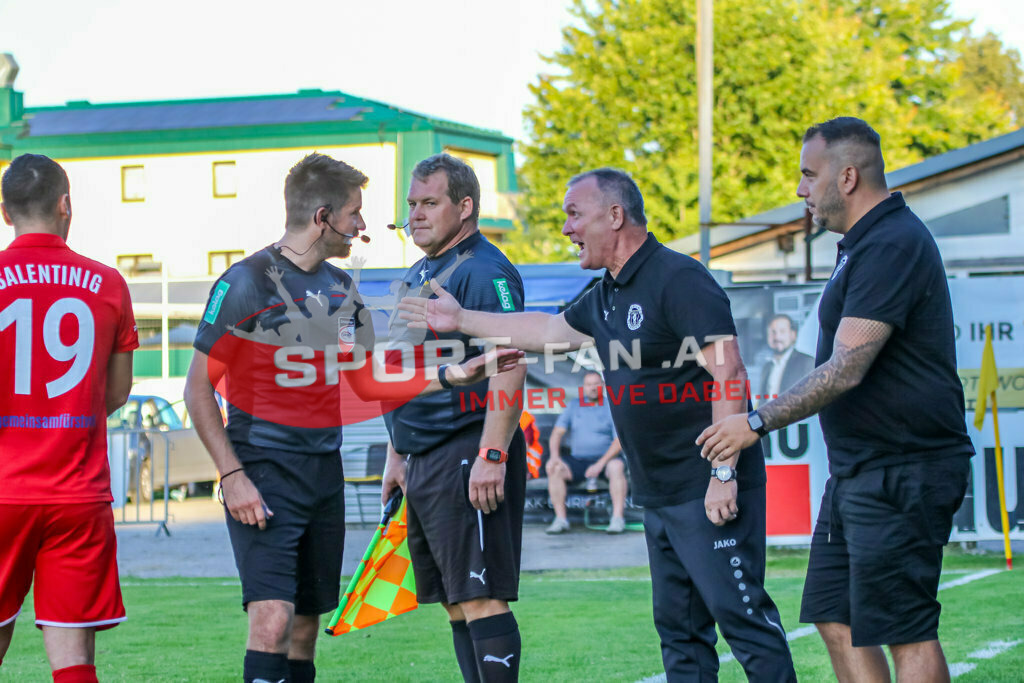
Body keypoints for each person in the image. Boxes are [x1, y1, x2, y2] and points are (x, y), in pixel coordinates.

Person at [399, 167, 796, 682]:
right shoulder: (606, 292)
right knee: (679, 634)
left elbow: (730, 370)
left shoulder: (678, 277)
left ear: (615, 215)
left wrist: (724, 475)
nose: (566, 228)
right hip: (659, 493)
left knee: (744, 624)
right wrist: (462, 320)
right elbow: (546, 328)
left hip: (705, 487)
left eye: (573, 214)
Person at [184, 153, 519, 683]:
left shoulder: (343, 290)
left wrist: (454, 377)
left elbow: (369, 381)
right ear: (323, 217)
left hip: (323, 476)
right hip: (263, 472)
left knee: (304, 628)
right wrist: (231, 474)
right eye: (356, 214)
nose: (365, 226)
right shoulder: (246, 281)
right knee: (271, 620)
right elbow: (197, 388)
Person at [698, 117, 975, 683]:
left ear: (846, 177)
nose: (801, 189)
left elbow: (847, 367)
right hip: (859, 471)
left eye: (808, 174)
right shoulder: (862, 245)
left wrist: (755, 420)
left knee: (906, 629)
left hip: (905, 468)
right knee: (832, 615)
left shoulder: (893, 242)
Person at [380, 153, 528, 683]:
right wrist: (397, 456)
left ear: (464, 207)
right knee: (454, 601)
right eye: (411, 204)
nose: (415, 214)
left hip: (467, 451)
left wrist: (492, 453)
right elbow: (402, 370)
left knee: (481, 596)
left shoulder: (484, 270)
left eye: (429, 203)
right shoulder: (419, 273)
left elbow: (510, 365)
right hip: (422, 459)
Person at [0, 154, 137, 683]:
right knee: (74, 662)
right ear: (65, 204)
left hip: (3, 491)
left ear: (6, 212)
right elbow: (117, 392)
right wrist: (60, 413)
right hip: (76, 493)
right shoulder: (106, 283)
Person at [544, 370, 628, 534]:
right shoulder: (574, 405)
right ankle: (561, 520)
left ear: (603, 386)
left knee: (617, 466)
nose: (593, 388)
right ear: (584, 387)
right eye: (589, 384)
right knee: (555, 469)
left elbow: (619, 441)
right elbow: (557, 433)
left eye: (596, 384)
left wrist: (599, 464)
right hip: (578, 460)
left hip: (606, 460)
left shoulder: (611, 405)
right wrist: (554, 458)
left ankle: (617, 519)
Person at [759, 314, 814, 404]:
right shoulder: (767, 367)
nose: (777, 337)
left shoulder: (807, 362)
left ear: (793, 335)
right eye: (773, 332)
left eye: (782, 331)